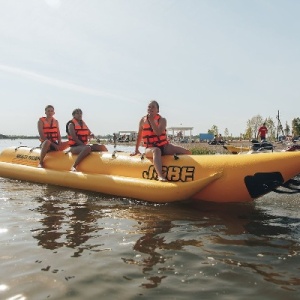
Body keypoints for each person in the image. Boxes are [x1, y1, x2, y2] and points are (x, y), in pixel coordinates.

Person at [131, 100, 191, 182]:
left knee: (187, 152)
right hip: (150, 148)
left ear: (157, 110)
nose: (150, 108)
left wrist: (151, 121)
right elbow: (139, 136)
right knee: (156, 150)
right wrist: (136, 150)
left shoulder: (162, 120)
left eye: (153, 107)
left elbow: (158, 133)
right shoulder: (143, 120)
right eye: (149, 107)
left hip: (164, 146)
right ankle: (160, 175)